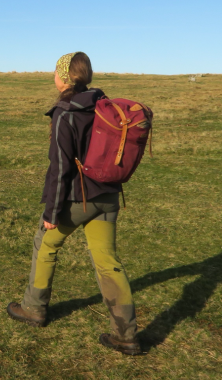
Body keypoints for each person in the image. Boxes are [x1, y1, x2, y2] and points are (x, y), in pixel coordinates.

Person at [7, 52, 142, 355]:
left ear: (65, 77)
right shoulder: (104, 105)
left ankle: (33, 308)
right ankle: (126, 335)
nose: (53, 76)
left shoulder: (64, 112)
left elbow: (60, 169)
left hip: (78, 198)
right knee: (108, 262)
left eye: (56, 71)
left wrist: (51, 213)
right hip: (107, 195)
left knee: (45, 244)